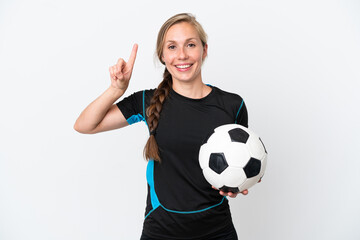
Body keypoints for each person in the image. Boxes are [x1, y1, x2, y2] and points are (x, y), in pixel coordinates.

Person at [74, 13, 255, 240]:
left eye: (190, 44)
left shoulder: (232, 105)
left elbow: (241, 159)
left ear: (204, 50)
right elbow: (84, 125)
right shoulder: (147, 101)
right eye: (172, 47)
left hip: (216, 230)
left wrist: (239, 182)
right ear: (162, 55)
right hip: (161, 231)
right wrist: (116, 90)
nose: (182, 55)